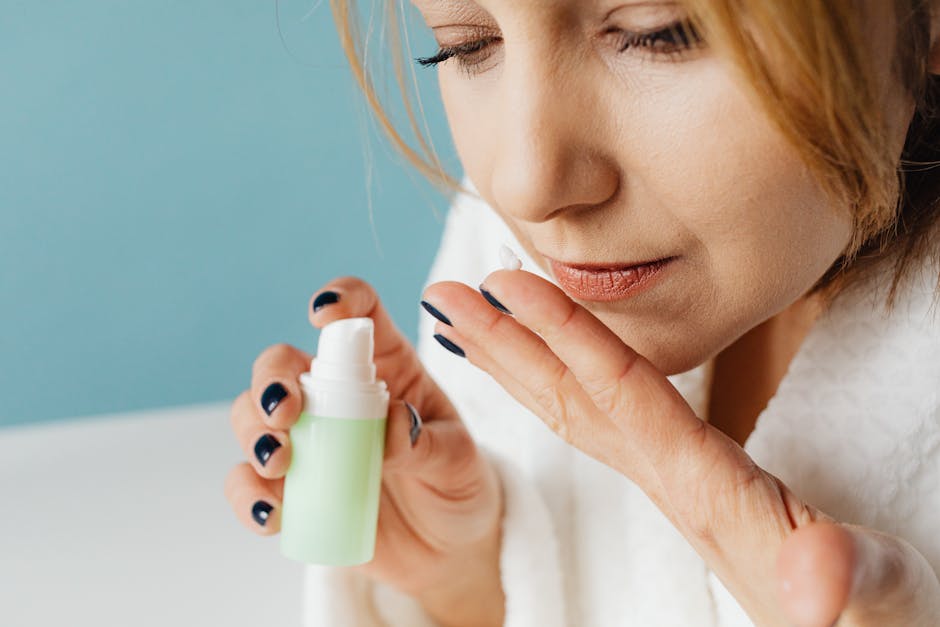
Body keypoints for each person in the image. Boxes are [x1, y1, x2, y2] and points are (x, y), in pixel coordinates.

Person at [224, 1, 940, 625]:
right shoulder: (498, 249)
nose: (527, 183)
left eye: (660, 32)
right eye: (467, 43)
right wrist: (466, 579)